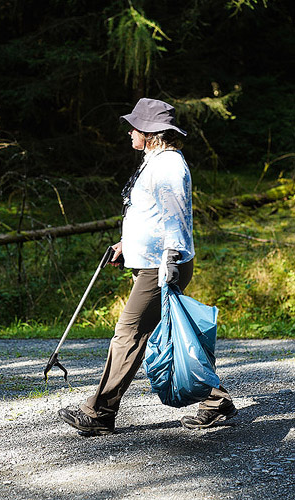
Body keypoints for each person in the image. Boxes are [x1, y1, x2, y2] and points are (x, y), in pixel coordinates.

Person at [58, 98, 237, 435]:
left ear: (152, 133)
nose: (130, 131)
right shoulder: (155, 161)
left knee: (127, 333)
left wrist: (169, 258)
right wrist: (128, 244)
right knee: (166, 333)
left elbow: (176, 218)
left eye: (136, 126)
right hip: (154, 261)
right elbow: (150, 213)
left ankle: (99, 413)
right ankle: (216, 400)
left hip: (162, 265)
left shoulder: (168, 165)